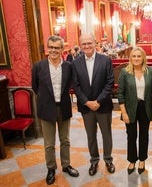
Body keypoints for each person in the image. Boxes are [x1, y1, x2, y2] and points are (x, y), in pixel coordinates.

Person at [32, 35, 79, 185]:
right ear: (47, 48)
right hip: (46, 109)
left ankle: (66, 165)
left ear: (62, 49)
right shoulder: (38, 66)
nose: (54, 50)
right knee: (49, 143)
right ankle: (51, 168)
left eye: (57, 48)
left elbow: (71, 84)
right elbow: (35, 87)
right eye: (51, 47)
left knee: (65, 140)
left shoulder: (68, 67)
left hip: (63, 107)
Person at [72, 33, 115, 176]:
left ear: (95, 43)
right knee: (91, 136)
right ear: (80, 46)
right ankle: (94, 161)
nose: (87, 46)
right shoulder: (75, 63)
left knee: (106, 135)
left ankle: (108, 159)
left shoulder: (105, 60)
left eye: (89, 43)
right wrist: (87, 102)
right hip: (86, 107)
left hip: (103, 105)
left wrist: (98, 101)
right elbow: (76, 86)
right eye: (83, 44)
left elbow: (110, 82)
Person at [117, 47, 152, 175]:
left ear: (143, 58)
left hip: (145, 108)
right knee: (131, 135)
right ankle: (132, 160)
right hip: (129, 108)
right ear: (130, 58)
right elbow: (120, 93)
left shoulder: (150, 72)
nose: (136, 58)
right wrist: (123, 112)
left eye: (139, 56)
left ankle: (142, 160)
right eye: (134, 56)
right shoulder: (125, 72)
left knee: (144, 135)